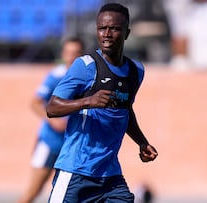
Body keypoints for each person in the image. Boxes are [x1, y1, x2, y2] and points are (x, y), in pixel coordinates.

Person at [45, 3, 158, 203]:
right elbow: (52, 107)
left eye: (114, 28)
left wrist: (141, 141)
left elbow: (125, 110)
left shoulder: (135, 71)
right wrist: (88, 101)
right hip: (76, 172)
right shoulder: (85, 66)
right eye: (101, 28)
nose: (106, 34)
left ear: (127, 33)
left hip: (110, 177)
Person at [17, 37, 85, 203]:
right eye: (68, 53)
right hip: (50, 142)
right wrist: (52, 120)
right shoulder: (56, 76)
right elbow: (35, 103)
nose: (71, 57)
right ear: (63, 54)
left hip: (73, 145)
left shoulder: (86, 77)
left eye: (76, 53)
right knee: (33, 191)